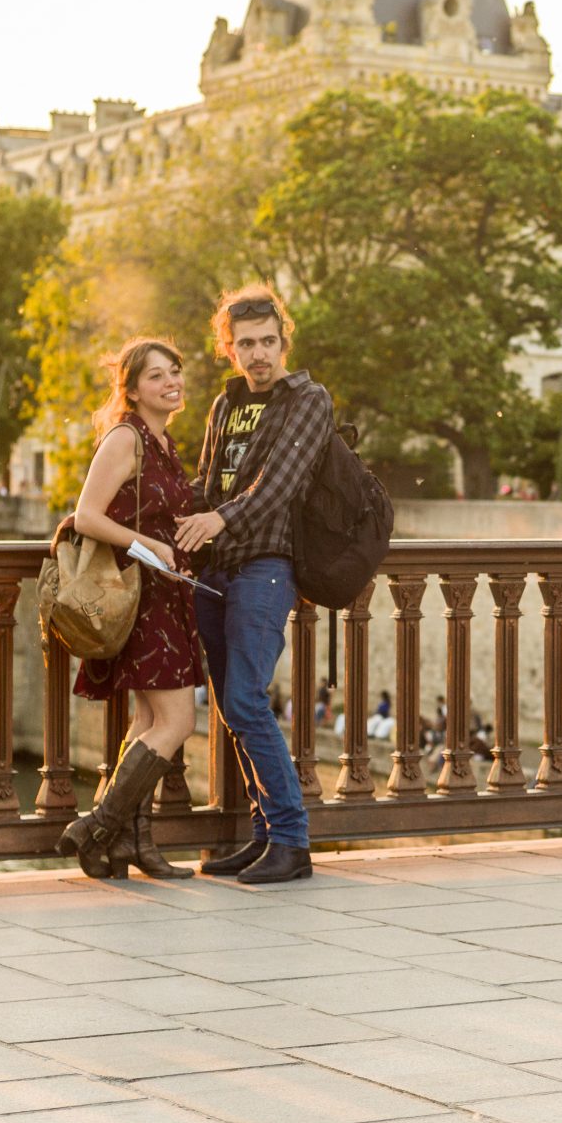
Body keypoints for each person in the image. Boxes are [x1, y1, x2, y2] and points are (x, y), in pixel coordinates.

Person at [174, 286, 333, 885]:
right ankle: (265, 834)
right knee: (230, 702)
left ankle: (292, 840)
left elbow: (279, 485)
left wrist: (218, 518)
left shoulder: (307, 399)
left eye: (269, 341)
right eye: (247, 344)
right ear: (229, 348)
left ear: (283, 340)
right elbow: (206, 482)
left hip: (267, 565)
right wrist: (180, 513)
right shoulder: (225, 404)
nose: (259, 354)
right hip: (215, 568)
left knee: (244, 697)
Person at [57, 339, 206, 880]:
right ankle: (95, 825)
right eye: (157, 376)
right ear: (133, 389)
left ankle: (130, 847)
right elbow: (85, 516)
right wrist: (153, 546)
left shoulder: (162, 442)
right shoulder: (126, 438)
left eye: (176, 372)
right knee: (179, 719)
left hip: (163, 594)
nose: (172, 383)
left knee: (147, 719)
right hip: (139, 596)